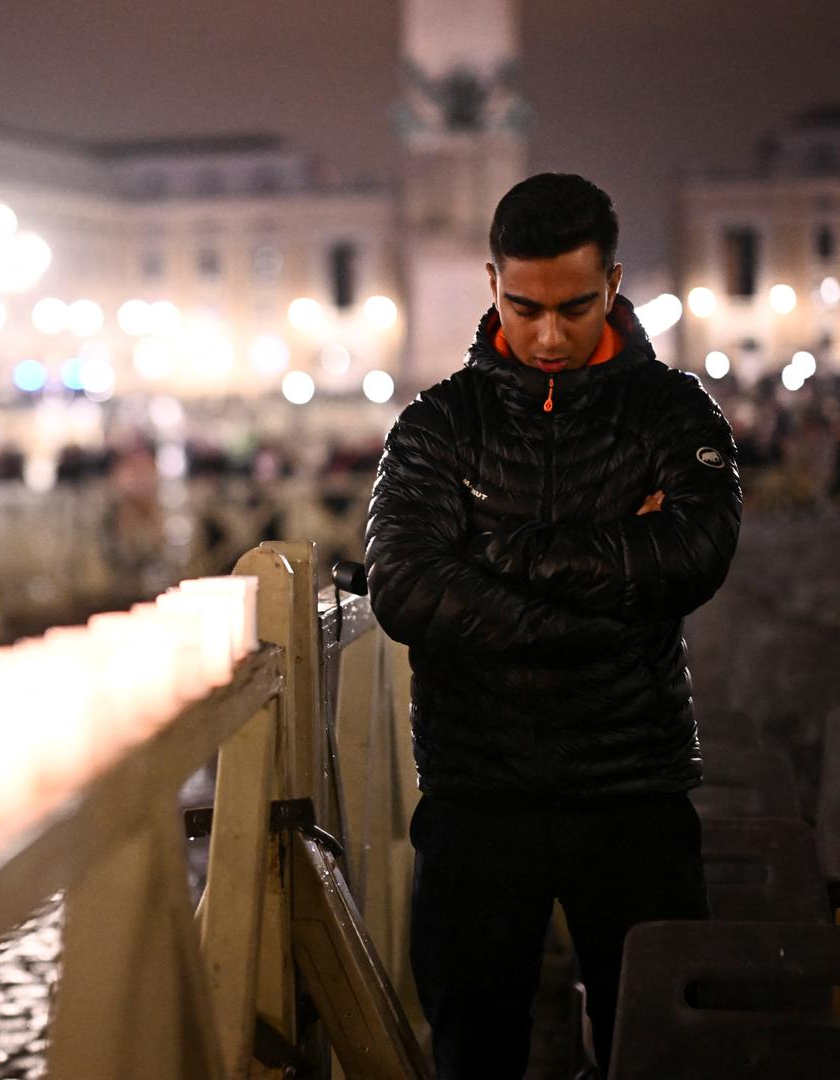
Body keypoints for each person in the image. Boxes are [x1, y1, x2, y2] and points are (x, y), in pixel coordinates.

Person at [364, 173, 741, 1078]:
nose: (546, 335)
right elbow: (405, 587)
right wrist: (602, 604)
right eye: (524, 305)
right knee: (472, 1050)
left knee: (655, 1052)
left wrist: (493, 548)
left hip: (633, 791)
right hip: (477, 793)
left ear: (612, 284)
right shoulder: (437, 423)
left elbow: (693, 556)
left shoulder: (676, 411)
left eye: (573, 307)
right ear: (492, 282)